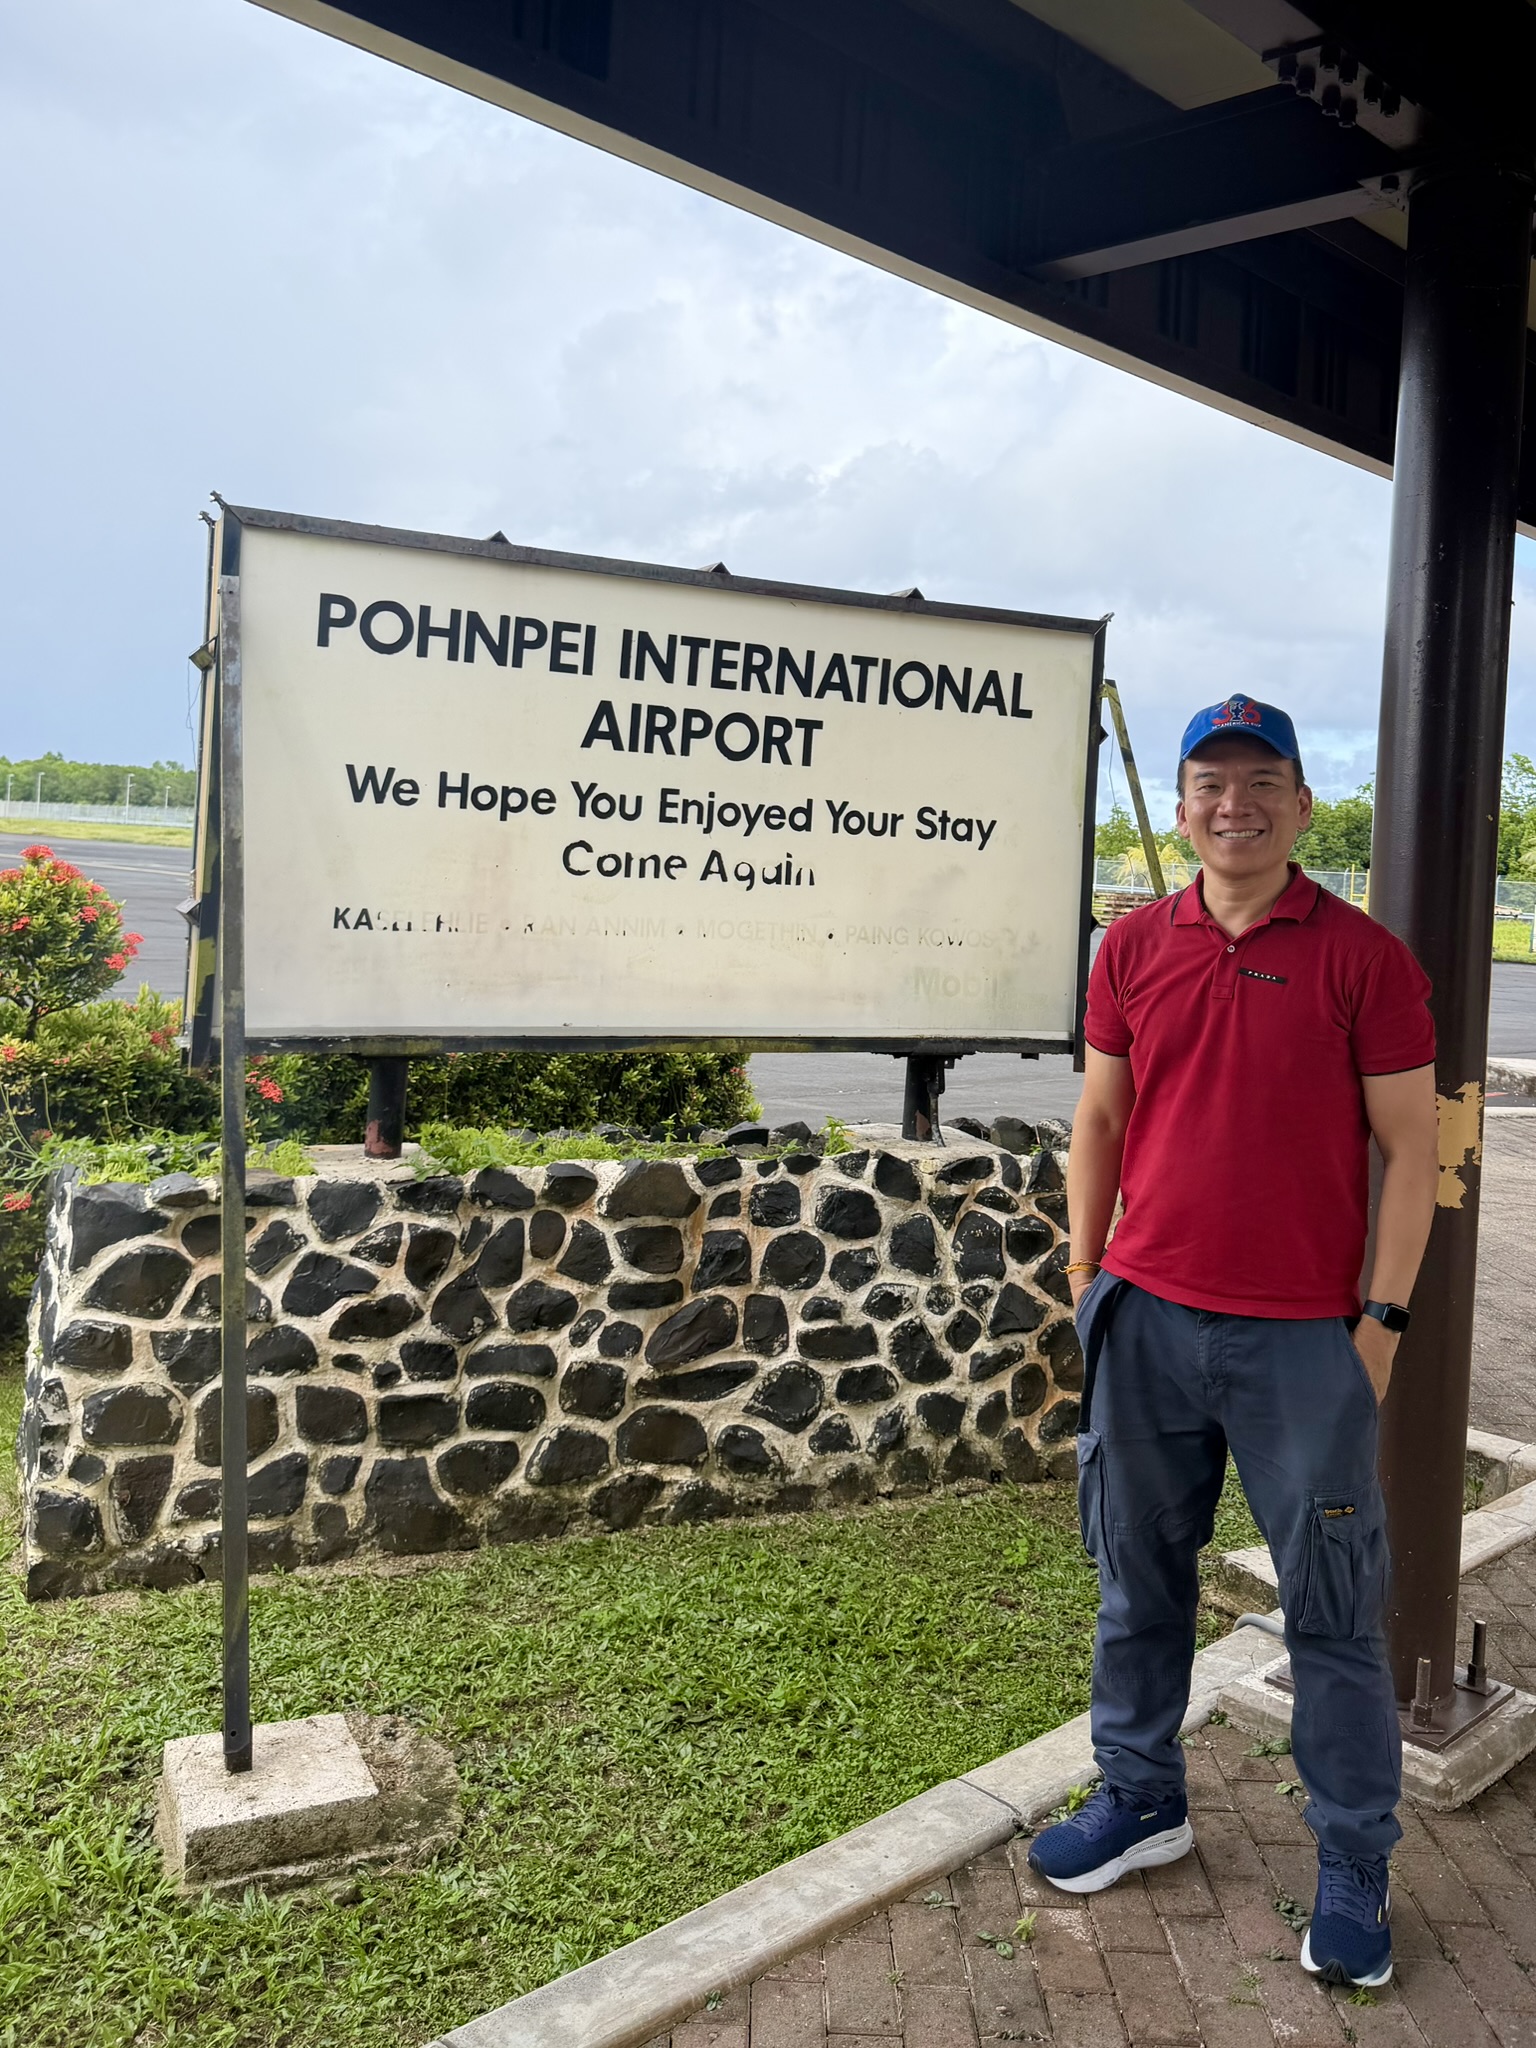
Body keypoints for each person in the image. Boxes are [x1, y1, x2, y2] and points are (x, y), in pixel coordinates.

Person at [1027, 694, 1439, 1992]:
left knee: (1330, 1613)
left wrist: (1379, 1325)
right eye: (1209, 782)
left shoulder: (1366, 959)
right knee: (1136, 1585)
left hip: (1304, 1348)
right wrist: (1090, 1274)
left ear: (1303, 805)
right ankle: (1142, 1799)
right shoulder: (1131, 948)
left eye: (1262, 782)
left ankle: (1354, 1868)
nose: (1232, 804)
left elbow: (1415, 1153)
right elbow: (1100, 1119)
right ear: (1189, 803)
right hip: (1146, 1322)